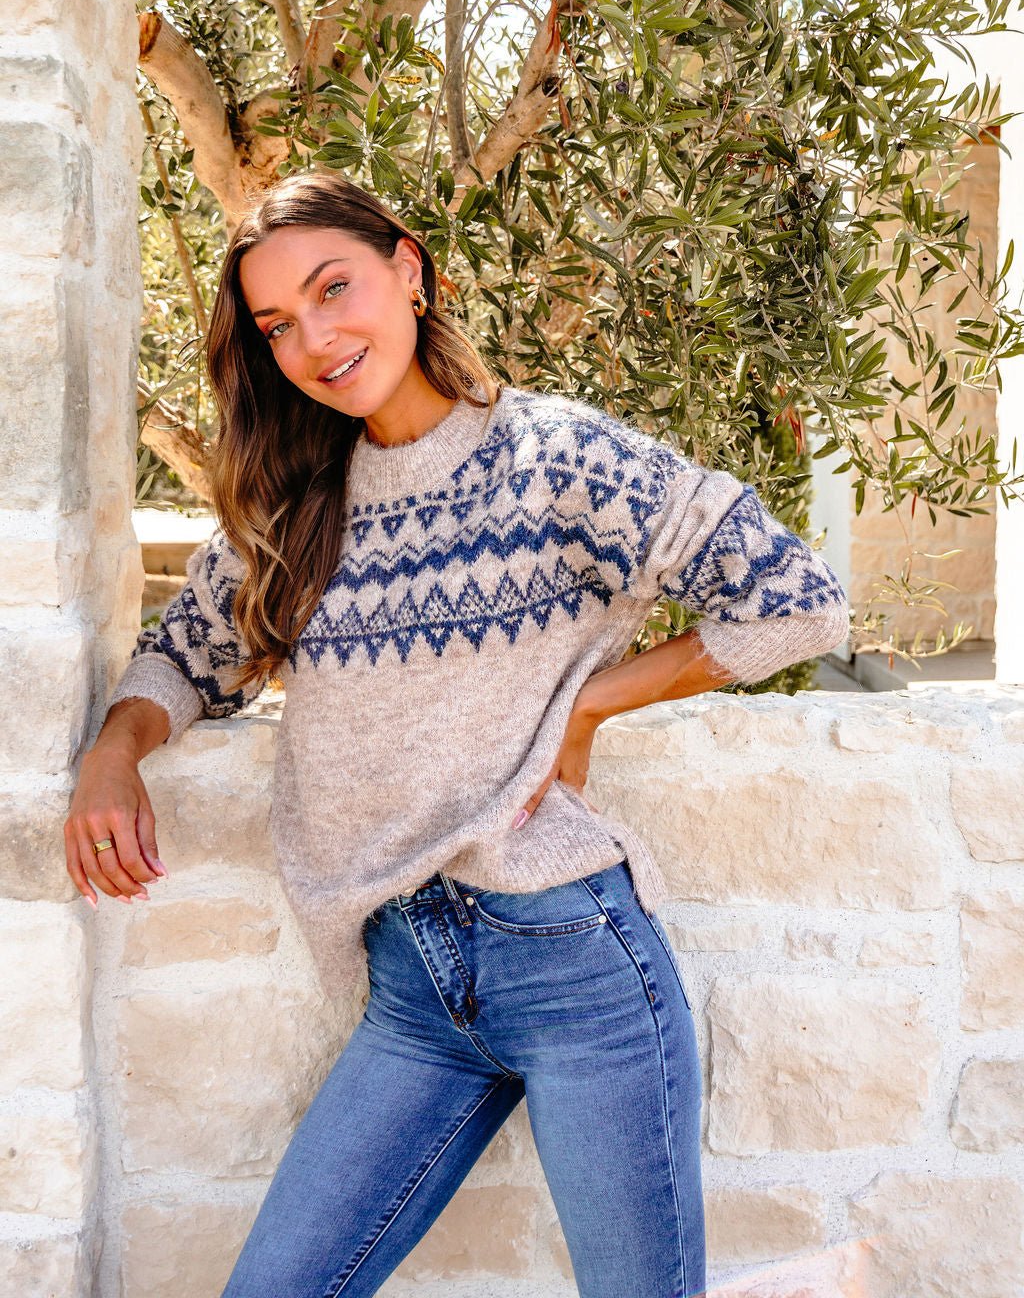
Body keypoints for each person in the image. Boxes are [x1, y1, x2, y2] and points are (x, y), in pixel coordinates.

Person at [66, 169, 850, 1298]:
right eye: (278, 326)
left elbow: (798, 599)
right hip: (411, 990)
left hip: (575, 963)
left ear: (410, 270)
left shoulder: (558, 459)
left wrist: (591, 700)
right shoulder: (298, 506)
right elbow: (183, 659)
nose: (314, 340)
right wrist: (113, 750)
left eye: (334, 289)